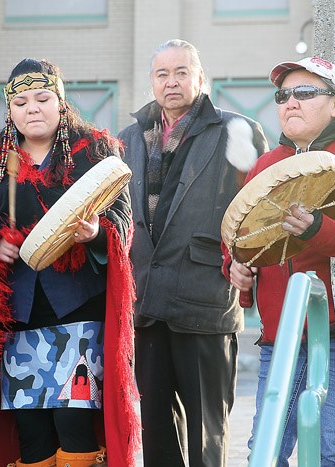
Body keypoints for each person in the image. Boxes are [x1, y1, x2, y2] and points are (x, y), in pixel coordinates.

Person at [0, 58, 139, 467]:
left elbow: (123, 218)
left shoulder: (95, 152)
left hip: (79, 312)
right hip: (20, 317)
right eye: (21, 102)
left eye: (42, 98)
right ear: (10, 112)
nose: (32, 108)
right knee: (32, 433)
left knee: (73, 423)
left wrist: (97, 234)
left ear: (60, 103)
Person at [225, 56, 335, 466]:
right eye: (283, 95)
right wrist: (236, 269)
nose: (290, 103)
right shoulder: (266, 165)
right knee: (263, 454)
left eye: (305, 93)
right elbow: (241, 241)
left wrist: (316, 229)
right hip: (278, 339)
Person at [118, 39, 268, 466]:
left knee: (207, 435)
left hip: (205, 298)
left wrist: (248, 260)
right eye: (163, 74)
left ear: (200, 78)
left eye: (181, 72)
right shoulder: (128, 138)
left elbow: (259, 208)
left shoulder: (235, 130)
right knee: (157, 436)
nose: (172, 82)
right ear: (152, 82)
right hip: (146, 303)